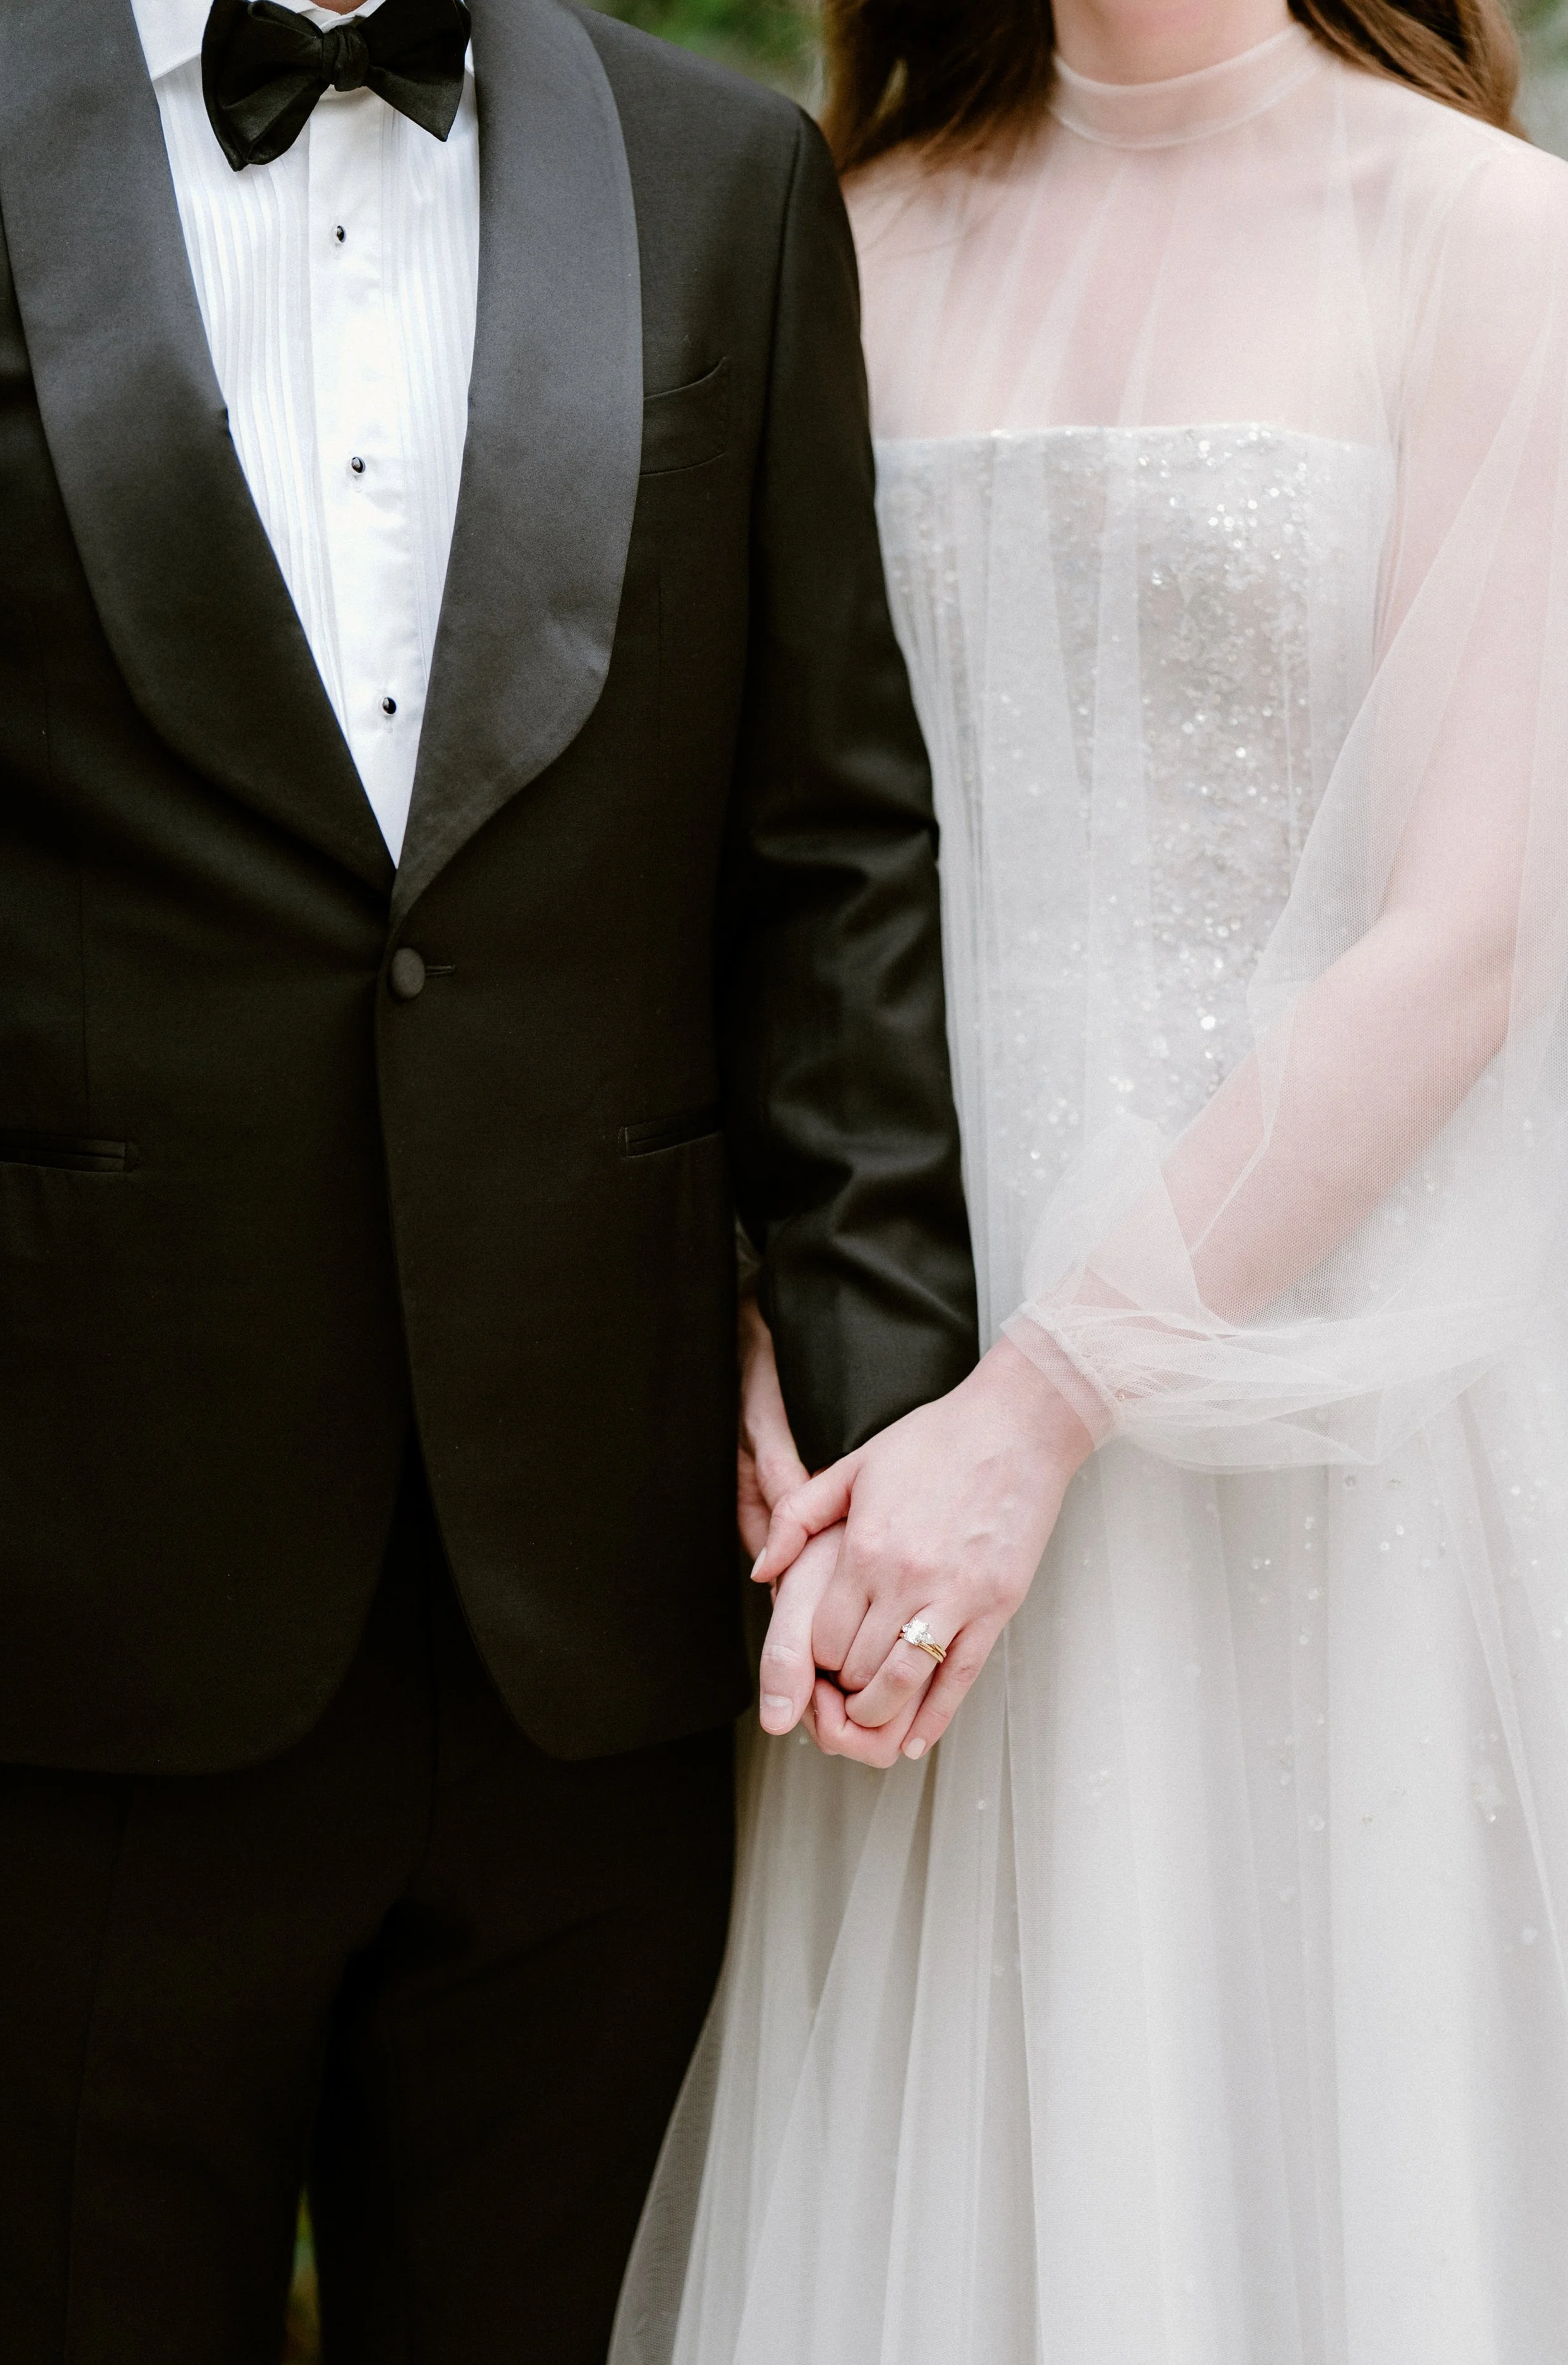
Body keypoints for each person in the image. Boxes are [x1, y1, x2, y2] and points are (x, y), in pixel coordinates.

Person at [0, 0, 983, 2356]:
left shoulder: (726, 177)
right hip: (70, 1595)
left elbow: (827, 849)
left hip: (594, 1616)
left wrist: (883, 1423)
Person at [614, 0, 1568, 2356]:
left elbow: (1459, 946)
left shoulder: (1484, 241)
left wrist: (1040, 1408)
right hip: (892, 1407)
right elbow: (749, 865)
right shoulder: (831, 237)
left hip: (1312, 1414)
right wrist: (767, 1297)